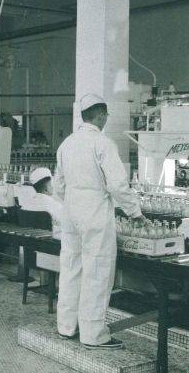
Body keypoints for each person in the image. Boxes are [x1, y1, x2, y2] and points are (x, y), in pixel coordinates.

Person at [53, 94, 146, 350]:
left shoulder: (67, 144)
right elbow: (117, 185)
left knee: (70, 267)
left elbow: (58, 185)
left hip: (71, 211)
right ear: (102, 115)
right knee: (97, 271)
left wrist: (72, 201)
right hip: (94, 212)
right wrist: (135, 212)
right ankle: (93, 335)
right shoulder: (103, 143)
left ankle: (66, 326)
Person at [17, 167, 63, 238]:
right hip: (51, 242)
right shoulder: (55, 205)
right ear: (47, 187)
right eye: (52, 183)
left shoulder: (24, 206)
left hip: (29, 243)